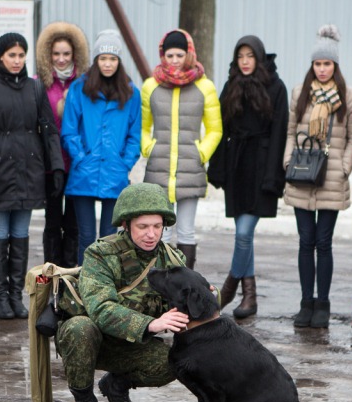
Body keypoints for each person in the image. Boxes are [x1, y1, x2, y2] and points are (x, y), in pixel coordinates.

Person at [54, 183, 188, 402]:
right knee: (79, 328)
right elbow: (101, 308)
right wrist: (150, 325)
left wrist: (207, 296)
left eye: (157, 226)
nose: (151, 234)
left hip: (130, 344)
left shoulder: (172, 258)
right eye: (143, 227)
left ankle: (116, 385)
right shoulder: (101, 254)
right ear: (126, 224)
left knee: (177, 362)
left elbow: (190, 294)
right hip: (92, 341)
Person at [0, 32, 64, 320]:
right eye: (11, 55)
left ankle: (15, 295)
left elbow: (49, 130)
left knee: (21, 234)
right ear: (0, 56)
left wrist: (57, 166)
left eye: (21, 55)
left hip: (28, 171)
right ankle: (0, 297)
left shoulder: (35, 89)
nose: (16, 60)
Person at [282, 26, 352, 328]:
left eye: (327, 64)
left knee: (323, 242)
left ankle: (323, 304)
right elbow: (290, 132)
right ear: (311, 66)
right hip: (302, 173)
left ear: (335, 66)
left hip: (330, 177)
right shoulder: (299, 94)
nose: (322, 69)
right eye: (318, 64)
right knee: (305, 241)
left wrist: (344, 167)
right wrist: (288, 159)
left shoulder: (348, 97)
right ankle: (306, 303)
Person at [208, 34, 288, 319]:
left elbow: (280, 132)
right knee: (245, 235)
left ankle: (229, 288)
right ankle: (250, 297)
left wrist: (274, 176)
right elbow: (221, 128)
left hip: (262, 165)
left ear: (259, 58)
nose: (245, 62)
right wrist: (217, 168)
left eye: (250, 57)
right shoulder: (230, 86)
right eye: (240, 57)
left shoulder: (276, 87)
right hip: (237, 166)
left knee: (243, 233)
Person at [141, 29, 222, 269]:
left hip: (190, 169)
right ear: (162, 55)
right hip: (159, 169)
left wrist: (201, 152)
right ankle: (159, 286)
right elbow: (143, 126)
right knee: (160, 232)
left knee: (186, 231)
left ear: (189, 54)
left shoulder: (204, 86)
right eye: (169, 55)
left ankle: (187, 285)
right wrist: (149, 148)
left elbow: (215, 129)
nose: (174, 60)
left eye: (179, 54)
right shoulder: (151, 86)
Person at [60, 29, 141, 265]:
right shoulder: (79, 89)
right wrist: (80, 157)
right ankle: (86, 286)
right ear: (96, 60)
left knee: (110, 238)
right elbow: (69, 130)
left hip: (114, 173)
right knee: (85, 237)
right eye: (103, 58)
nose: (108, 64)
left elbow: (134, 135)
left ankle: (105, 289)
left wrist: (124, 162)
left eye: (113, 59)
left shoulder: (131, 92)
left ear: (119, 61)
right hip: (84, 172)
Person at [35, 21, 87, 268]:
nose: (62, 59)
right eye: (56, 54)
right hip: (50, 164)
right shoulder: (39, 83)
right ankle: (52, 273)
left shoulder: (85, 84)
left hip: (77, 163)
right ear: (48, 55)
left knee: (74, 223)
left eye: (66, 54)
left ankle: (72, 275)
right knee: (53, 221)